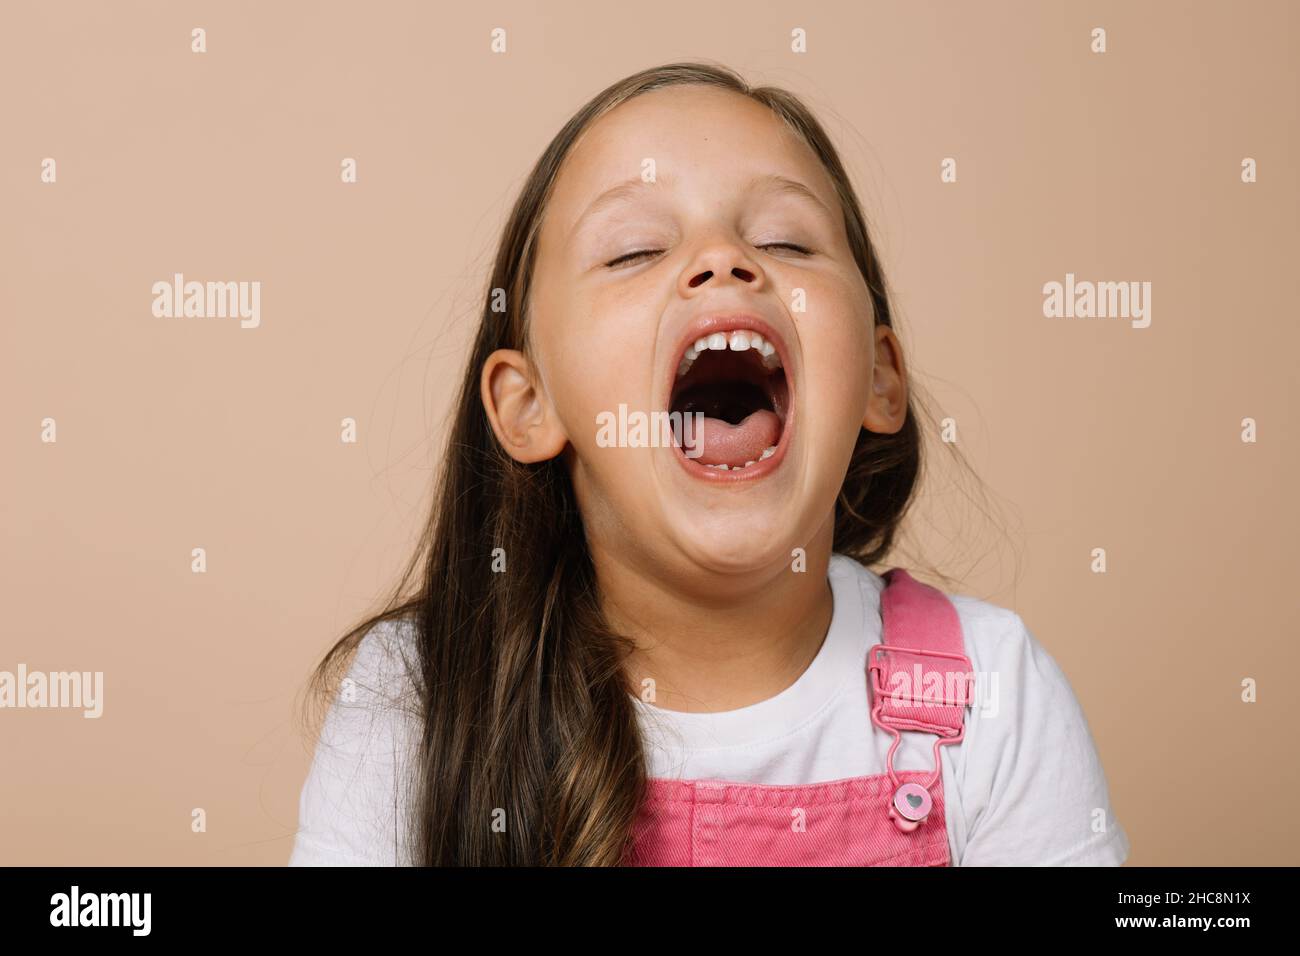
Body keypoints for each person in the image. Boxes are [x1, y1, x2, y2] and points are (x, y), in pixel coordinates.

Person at [289, 61, 1129, 867]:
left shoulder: (991, 691)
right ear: (528, 403)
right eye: (633, 251)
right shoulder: (423, 700)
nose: (726, 260)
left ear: (879, 379)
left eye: (786, 241)